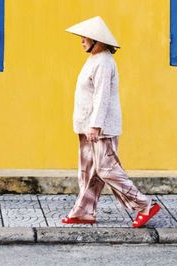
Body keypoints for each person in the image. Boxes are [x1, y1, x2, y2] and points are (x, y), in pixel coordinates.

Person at [62, 16, 161, 228]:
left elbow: (102, 96)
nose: (81, 41)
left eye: (85, 38)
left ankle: (144, 204)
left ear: (97, 41)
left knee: (106, 169)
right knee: (89, 171)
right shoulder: (95, 60)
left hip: (100, 128)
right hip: (88, 127)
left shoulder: (104, 62)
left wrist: (96, 125)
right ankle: (84, 212)